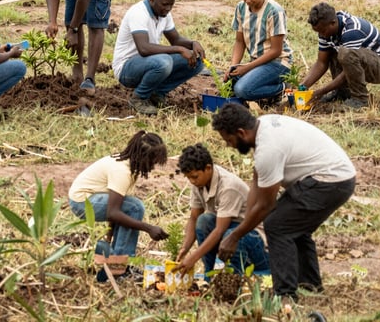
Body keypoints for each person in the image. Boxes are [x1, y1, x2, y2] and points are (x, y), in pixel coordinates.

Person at [212, 103, 356, 301]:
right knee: (294, 225)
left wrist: (234, 237)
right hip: (336, 176)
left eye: (229, 140)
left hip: (330, 181)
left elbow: (266, 206)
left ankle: (285, 294)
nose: (229, 145)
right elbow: (257, 180)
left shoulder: (268, 150)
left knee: (277, 225)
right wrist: (245, 221)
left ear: (241, 132)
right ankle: (309, 286)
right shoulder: (263, 125)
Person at [68, 130, 168, 281]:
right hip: (82, 202)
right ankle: (118, 269)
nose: (153, 167)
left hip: (90, 198)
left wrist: (108, 240)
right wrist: (149, 228)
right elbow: (113, 212)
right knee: (135, 207)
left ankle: (116, 266)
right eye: (152, 162)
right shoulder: (122, 171)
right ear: (143, 157)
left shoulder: (128, 164)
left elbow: (116, 207)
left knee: (131, 207)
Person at [111, 0, 205, 115]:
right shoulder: (138, 13)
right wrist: (179, 49)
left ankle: (156, 93)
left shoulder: (163, 14)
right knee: (164, 62)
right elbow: (144, 49)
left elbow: (175, 40)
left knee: (197, 61)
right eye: (165, 4)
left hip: (149, 63)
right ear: (152, 0)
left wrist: (192, 44)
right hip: (126, 69)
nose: (168, 8)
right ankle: (139, 98)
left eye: (171, 5)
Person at [176, 143, 269, 277]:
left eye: (194, 177)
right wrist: (185, 249)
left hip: (253, 237)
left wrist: (193, 258)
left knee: (230, 235)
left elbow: (220, 230)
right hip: (230, 230)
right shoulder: (199, 183)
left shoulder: (228, 186)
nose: (192, 181)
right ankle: (209, 276)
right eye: (188, 177)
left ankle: (235, 278)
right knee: (203, 221)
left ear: (208, 168)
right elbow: (194, 218)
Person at [225, 0, 292, 106]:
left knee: (242, 90)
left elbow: (276, 51)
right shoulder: (241, 8)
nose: (248, 0)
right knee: (229, 82)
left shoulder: (274, 11)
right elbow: (240, 42)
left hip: (277, 62)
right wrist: (234, 66)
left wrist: (247, 68)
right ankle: (264, 91)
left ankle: (283, 88)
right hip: (256, 62)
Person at [303, 2, 380, 110]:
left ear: (333, 23)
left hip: (379, 67)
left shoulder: (352, 30)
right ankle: (343, 93)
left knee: (346, 54)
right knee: (332, 52)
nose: (321, 35)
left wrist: (321, 92)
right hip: (364, 63)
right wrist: (302, 87)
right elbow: (321, 62)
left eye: (323, 31)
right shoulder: (326, 29)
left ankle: (360, 99)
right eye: (318, 32)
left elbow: (347, 71)